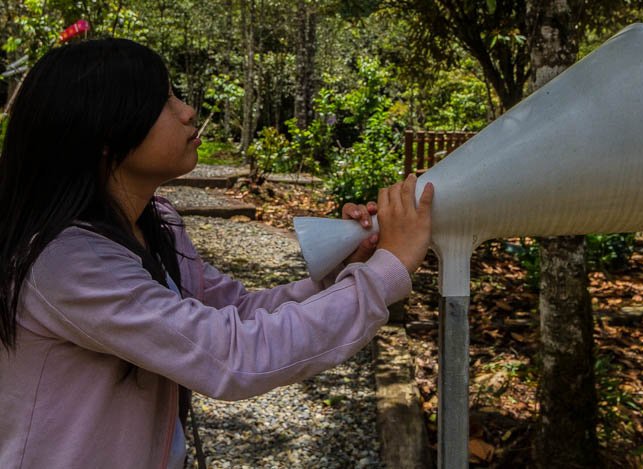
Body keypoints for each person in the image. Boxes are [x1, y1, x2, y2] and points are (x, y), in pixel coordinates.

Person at [0, 38, 434, 468]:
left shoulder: (157, 224)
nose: (187, 111)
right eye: (164, 100)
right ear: (106, 134)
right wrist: (385, 272)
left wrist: (345, 271)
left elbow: (238, 311)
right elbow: (232, 355)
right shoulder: (67, 263)